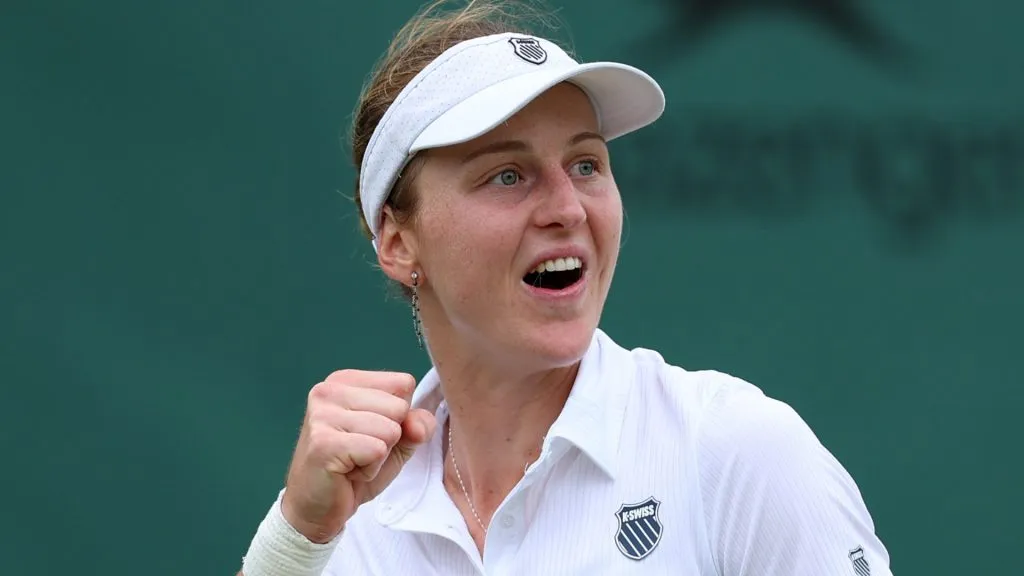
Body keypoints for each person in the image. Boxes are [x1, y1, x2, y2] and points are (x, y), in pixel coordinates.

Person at [238, 0, 893, 574]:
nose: (569, 208)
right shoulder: (344, 519)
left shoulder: (738, 454)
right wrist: (299, 535)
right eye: (506, 175)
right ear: (397, 240)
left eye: (586, 164)